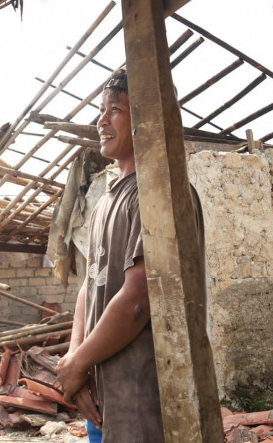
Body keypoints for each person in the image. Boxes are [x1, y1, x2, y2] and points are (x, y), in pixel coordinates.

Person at [54, 68, 205, 441]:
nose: (101, 120)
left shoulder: (159, 191)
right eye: (100, 110)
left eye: (115, 110)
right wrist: (77, 359)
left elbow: (139, 298)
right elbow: (90, 285)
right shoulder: (106, 198)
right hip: (102, 393)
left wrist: (79, 361)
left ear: (148, 115)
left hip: (143, 397)